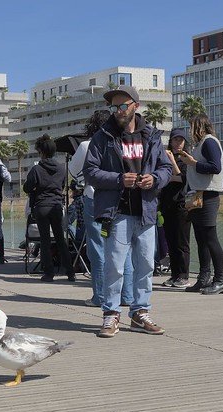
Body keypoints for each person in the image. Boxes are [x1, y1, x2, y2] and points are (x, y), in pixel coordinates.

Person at [84, 85, 172, 337]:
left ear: (136, 105)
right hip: (116, 212)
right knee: (114, 265)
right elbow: (90, 172)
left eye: (123, 106)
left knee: (145, 265)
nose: (118, 111)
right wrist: (119, 179)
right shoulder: (103, 136)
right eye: (114, 107)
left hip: (145, 211)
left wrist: (154, 179)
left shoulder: (152, 135)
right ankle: (111, 314)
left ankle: (139, 312)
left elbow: (166, 168)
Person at [69, 110, 135, 307]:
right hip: (123, 198)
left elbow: (74, 171)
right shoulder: (124, 141)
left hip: (95, 198)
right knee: (125, 247)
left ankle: (101, 296)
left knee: (97, 248)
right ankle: (127, 296)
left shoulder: (87, 145)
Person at [180, 114, 223, 295]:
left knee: (210, 238)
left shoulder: (209, 142)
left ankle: (220, 279)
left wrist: (193, 163)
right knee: (201, 239)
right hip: (197, 196)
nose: (190, 131)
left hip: (208, 196)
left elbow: (216, 167)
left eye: (191, 126)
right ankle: (204, 277)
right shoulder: (200, 145)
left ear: (198, 126)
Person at [23, 134, 76, 283]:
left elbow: (27, 187)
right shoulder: (61, 169)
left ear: (41, 152)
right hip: (56, 206)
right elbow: (63, 185)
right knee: (60, 239)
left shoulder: (36, 169)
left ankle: (49, 273)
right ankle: (70, 272)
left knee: (45, 241)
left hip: (41, 206)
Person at [159, 128, 192, 288]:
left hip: (182, 205)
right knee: (171, 242)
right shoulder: (163, 157)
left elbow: (182, 178)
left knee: (182, 242)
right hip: (167, 206)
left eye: (181, 140)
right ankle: (174, 275)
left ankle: (184, 275)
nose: (178, 143)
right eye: (175, 140)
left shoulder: (186, 159)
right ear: (170, 141)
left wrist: (173, 161)